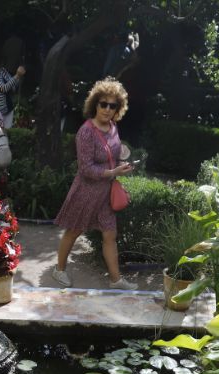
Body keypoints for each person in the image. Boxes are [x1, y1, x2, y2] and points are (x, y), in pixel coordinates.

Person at [52, 79, 133, 288]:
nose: (107, 109)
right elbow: (86, 169)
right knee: (73, 231)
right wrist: (112, 171)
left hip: (105, 193)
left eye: (112, 105)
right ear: (94, 104)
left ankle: (116, 279)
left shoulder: (114, 127)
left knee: (109, 234)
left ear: (118, 108)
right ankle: (58, 270)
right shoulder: (86, 132)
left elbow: (113, 154)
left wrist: (122, 164)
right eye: (103, 104)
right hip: (86, 192)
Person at [0, 46, 25, 129]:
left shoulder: (2, 70)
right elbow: (4, 88)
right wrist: (17, 75)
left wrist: (19, 76)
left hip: (8, 107)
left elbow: (12, 82)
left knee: (7, 132)